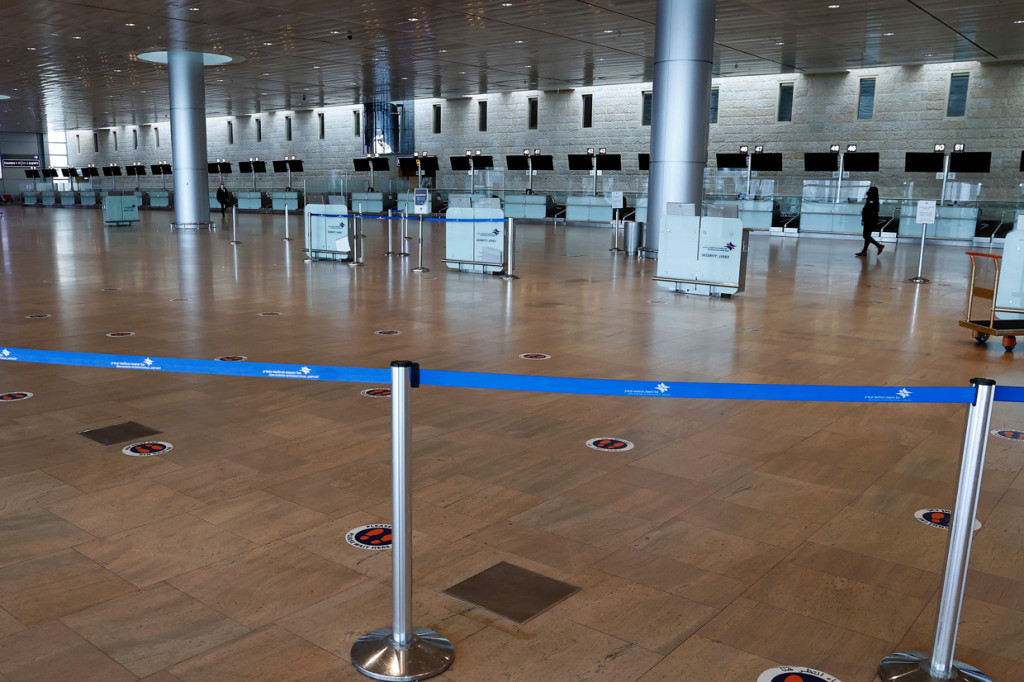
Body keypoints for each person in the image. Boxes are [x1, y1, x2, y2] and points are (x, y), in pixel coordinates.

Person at [857, 186, 884, 257]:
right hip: (871, 219)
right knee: (867, 235)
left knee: (865, 235)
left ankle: (879, 246)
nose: (868, 190)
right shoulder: (873, 198)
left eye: (869, 189)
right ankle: (864, 251)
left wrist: (864, 219)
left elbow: (869, 210)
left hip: (870, 220)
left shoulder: (872, 198)